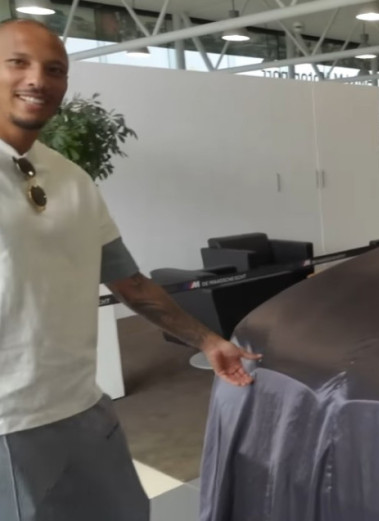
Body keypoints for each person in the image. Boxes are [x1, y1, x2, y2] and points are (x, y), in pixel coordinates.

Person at [0, 19, 261, 520]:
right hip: (9, 423)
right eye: (18, 63)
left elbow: (130, 282)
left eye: (54, 69)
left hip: (81, 402)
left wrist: (209, 342)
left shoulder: (72, 179)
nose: (38, 79)